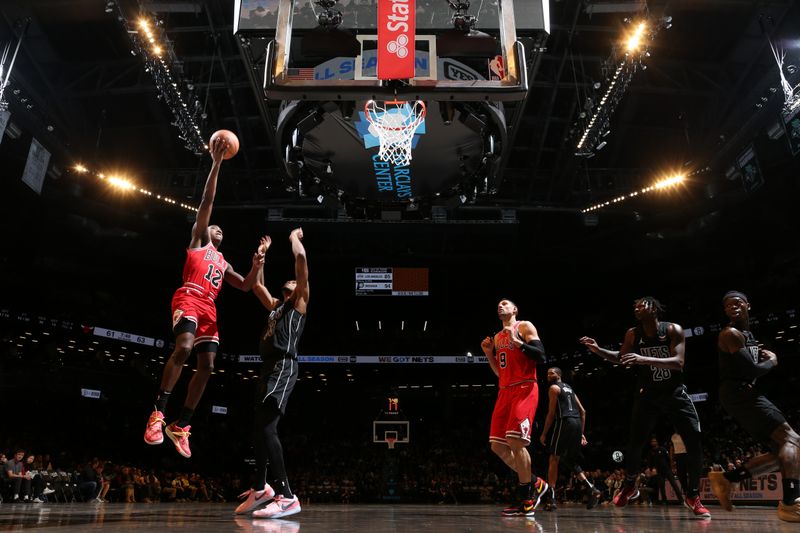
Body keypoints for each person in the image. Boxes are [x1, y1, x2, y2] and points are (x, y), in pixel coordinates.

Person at [144, 136, 264, 458]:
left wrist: (256, 266)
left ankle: (181, 425)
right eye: (216, 228)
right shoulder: (199, 240)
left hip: (209, 307)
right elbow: (208, 201)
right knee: (182, 348)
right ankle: (158, 413)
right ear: (206, 230)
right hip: (189, 297)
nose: (219, 230)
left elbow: (245, 286)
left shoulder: (223, 262)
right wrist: (216, 163)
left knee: (208, 365)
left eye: (222, 231)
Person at [579, 296, 710, 518]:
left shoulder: (672, 330)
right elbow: (623, 358)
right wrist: (599, 350)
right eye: (635, 306)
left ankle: (693, 495)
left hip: (674, 392)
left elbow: (678, 362)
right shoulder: (633, 334)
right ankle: (630, 484)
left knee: (694, 443)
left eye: (643, 305)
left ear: (655, 308)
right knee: (634, 443)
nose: (638, 308)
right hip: (647, 394)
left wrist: (643, 359)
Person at [708, 291, 800, 522]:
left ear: (748, 305)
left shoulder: (748, 335)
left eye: (737, 302)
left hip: (742, 392)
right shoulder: (730, 334)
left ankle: (728, 479)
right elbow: (750, 371)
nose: (733, 307)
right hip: (738, 392)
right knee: (792, 439)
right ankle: (790, 503)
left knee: (784, 451)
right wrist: (772, 361)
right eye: (728, 305)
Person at [236, 228, 308, 519]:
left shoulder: (299, 302)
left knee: (268, 428)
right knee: (258, 430)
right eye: (287, 282)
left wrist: (293, 238)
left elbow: (301, 259)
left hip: (283, 365)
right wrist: (261, 257)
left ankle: (287, 496)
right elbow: (256, 287)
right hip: (267, 368)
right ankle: (261, 488)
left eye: (292, 281)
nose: (289, 283)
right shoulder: (277, 307)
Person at [481, 298, 549, 517]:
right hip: (505, 390)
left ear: (515, 309)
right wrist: (488, 354)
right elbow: (500, 373)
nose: (500, 306)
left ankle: (527, 498)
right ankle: (535, 482)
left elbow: (541, 356)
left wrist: (518, 342)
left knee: (515, 441)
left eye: (505, 304)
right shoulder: (497, 337)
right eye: (498, 305)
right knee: (497, 446)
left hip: (525, 388)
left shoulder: (524, 326)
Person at [539, 367, 602, 511]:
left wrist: (543, 433)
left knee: (554, 458)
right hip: (577, 424)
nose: (549, 375)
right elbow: (583, 411)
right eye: (547, 373)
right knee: (569, 460)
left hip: (564, 422)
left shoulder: (553, 388)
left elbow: (551, 413)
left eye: (552, 373)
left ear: (559, 375)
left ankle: (552, 499)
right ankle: (592, 488)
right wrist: (581, 433)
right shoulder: (570, 389)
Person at [648, 437, 684, 504]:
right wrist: (651, 469)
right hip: (659, 471)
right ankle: (664, 500)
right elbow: (650, 462)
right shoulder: (651, 452)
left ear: (657, 442)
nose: (654, 443)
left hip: (667, 470)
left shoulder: (662, 449)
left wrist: (671, 468)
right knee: (661, 486)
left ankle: (681, 500)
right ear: (651, 443)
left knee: (674, 484)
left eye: (655, 441)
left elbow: (668, 459)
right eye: (652, 441)